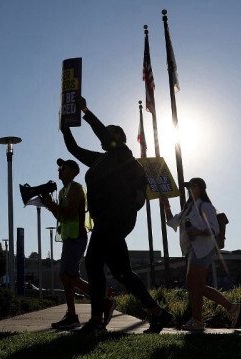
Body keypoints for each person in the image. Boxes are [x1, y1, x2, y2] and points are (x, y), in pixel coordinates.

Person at [60, 96, 173, 334]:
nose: (105, 138)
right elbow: (74, 149)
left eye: (110, 134)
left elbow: (104, 136)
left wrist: (85, 111)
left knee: (92, 262)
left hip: (116, 218)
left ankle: (97, 321)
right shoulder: (101, 159)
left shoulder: (123, 152)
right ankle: (158, 314)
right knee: (122, 273)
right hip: (106, 220)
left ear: (118, 138)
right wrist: (65, 126)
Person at [160, 178, 240, 331]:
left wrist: (198, 231)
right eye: (188, 186)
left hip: (203, 248)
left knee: (193, 284)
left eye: (191, 186)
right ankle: (230, 308)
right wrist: (166, 207)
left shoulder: (206, 206)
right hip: (192, 249)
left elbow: (214, 229)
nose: (189, 189)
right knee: (196, 286)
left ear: (199, 188)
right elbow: (172, 222)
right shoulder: (187, 208)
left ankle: (198, 320)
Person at [41, 158, 94, 330]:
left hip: (77, 237)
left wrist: (51, 204)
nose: (60, 171)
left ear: (73, 171)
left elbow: (70, 214)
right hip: (69, 238)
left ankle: (102, 302)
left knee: (67, 276)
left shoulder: (76, 188)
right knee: (68, 277)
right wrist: (51, 206)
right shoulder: (64, 191)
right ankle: (72, 315)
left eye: (63, 168)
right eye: (59, 168)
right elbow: (61, 217)